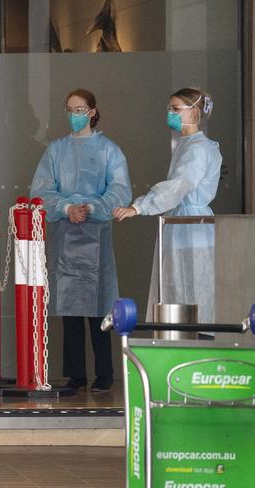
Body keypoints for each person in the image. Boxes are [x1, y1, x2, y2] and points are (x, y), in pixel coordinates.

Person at [30, 89, 131, 392]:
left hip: (96, 233)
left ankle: (104, 373)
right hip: (66, 235)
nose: (74, 114)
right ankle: (75, 375)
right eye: (70, 108)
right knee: (71, 308)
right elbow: (42, 190)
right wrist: (65, 207)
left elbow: (119, 190)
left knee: (99, 306)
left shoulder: (108, 151)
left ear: (92, 112)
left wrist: (91, 208)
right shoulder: (56, 151)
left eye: (80, 109)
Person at [113, 88, 221, 325]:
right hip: (183, 223)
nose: (170, 114)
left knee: (192, 288)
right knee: (180, 285)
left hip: (191, 225)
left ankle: (194, 339)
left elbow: (179, 185)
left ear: (193, 112)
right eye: (169, 108)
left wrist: (140, 206)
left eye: (175, 109)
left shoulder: (198, 149)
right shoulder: (188, 144)